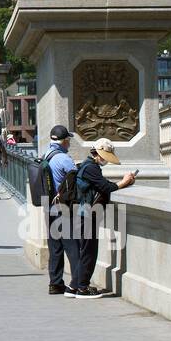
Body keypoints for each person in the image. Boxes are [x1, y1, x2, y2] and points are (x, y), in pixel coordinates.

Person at [69, 138, 137, 299]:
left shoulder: (86, 166)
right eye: (106, 156)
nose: (106, 160)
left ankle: (73, 286)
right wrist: (124, 182)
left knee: (85, 251)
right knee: (89, 252)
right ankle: (83, 288)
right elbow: (106, 187)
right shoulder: (91, 168)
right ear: (98, 153)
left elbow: (101, 185)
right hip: (87, 215)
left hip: (81, 214)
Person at [42, 125, 80, 296]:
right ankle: (78, 283)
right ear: (64, 141)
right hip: (63, 208)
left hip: (49, 208)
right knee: (73, 247)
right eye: (68, 140)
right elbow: (75, 179)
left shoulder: (45, 155)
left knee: (55, 247)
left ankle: (55, 283)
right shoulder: (64, 158)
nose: (69, 143)